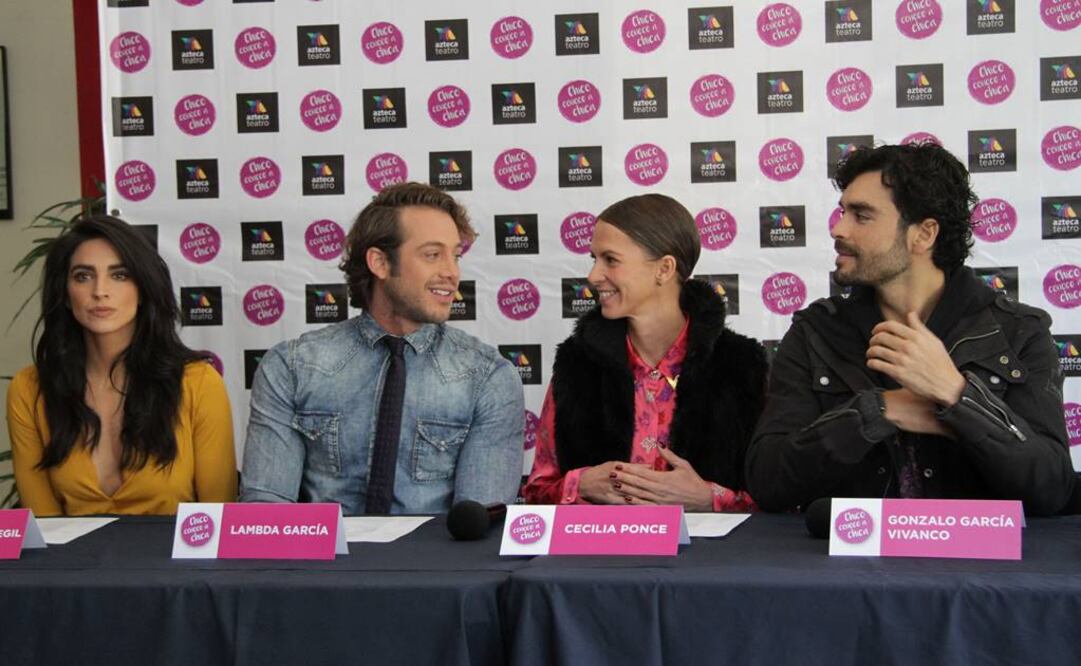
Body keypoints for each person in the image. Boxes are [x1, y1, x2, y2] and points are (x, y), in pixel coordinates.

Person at [745, 143, 1075, 516]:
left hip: (981, 572)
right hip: (851, 571)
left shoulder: (1018, 332)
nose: (838, 228)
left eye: (862, 216)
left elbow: (1051, 486)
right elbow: (768, 480)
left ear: (924, 234)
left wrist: (956, 395)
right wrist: (880, 410)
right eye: (842, 212)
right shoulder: (816, 332)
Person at [240, 182, 524, 514]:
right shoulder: (291, 367)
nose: (452, 272)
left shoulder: (489, 377)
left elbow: (480, 526)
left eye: (455, 255)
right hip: (319, 565)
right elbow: (264, 519)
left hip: (436, 566)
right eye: (433, 255)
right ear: (380, 262)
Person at [523, 194, 766, 511]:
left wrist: (709, 498)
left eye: (610, 259)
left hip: (710, 559)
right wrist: (580, 484)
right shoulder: (577, 364)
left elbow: (779, 499)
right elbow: (536, 493)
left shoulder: (742, 366)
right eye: (594, 259)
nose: (593, 276)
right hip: (599, 558)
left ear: (664, 269)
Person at [7, 215, 236, 516]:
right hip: (69, 563)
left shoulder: (198, 382)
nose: (100, 291)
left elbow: (220, 520)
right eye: (83, 276)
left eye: (119, 275)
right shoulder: (29, 389)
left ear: (143, 289)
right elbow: (42, 526)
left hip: (177, 562)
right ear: (64, 293)